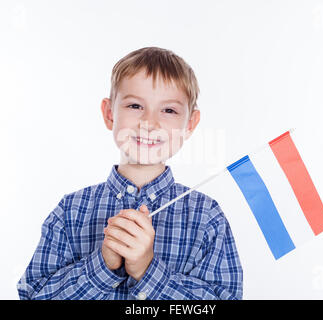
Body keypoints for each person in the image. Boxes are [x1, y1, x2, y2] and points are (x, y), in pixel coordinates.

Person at [17, 47, 243, 300]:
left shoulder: (207, 217)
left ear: (189, 123)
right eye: (135, 105)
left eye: (168, 110)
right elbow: (33, 295)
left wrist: (148, 271)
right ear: (109, 113)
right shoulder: (69, 210)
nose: (149, 123)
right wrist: (102, 266)